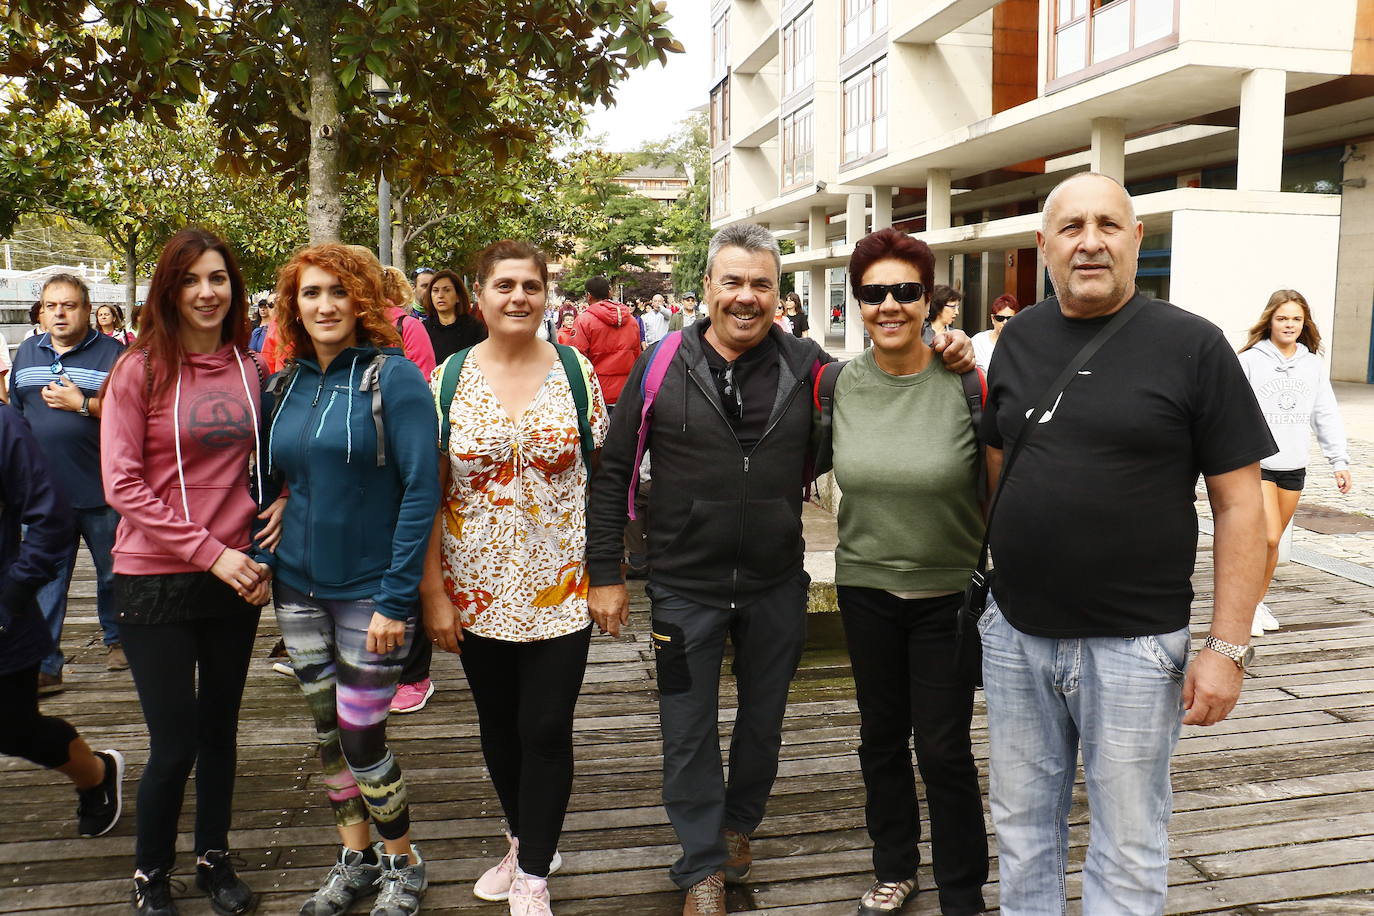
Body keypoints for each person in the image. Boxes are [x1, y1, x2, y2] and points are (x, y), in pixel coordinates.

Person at [586, 222, 974, 916]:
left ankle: (737, 829)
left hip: (774, 585)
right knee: (687, 729)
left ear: (779, 293)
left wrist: (948, 344)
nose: (745, 297)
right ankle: (702, 865)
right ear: (706, 288)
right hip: (681, 586)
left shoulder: (808, 367)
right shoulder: (660, 362)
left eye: (760, 283)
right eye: (731, 281)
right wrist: (605, 571)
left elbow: (883, 380)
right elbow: (614, 470)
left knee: (763, 726)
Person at [978, 172, 1275, 915]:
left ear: (1137, 240)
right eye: (1072, 227)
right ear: (1043, 246)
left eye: (1108, 224)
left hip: (1138, 646)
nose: (1090, 241)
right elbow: (997, 462)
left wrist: (1227, 647)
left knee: (1130, 841)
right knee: (1020, 830)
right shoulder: (1017, 339)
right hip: (1016, 636)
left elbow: (1243, 507)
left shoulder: (1194, 345)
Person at [421, 240, 608, 916]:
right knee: (498, 724)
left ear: (545, 295)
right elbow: (427, 494)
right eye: (505, 285)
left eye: (531, 285)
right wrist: (432, 593)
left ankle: (533, 877)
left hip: (563, 585)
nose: (519, 297)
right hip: (474, 588)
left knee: (547, 725)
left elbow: (605, 479)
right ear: (479, 295)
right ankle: (525, 839)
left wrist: (611, 574)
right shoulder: (447, 379)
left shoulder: (575, 369)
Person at [101, 228, 277, 916]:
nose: (207, 292)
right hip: (153, 577)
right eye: (191, 280)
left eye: (219, 278)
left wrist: (277, 511)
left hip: (235, 577)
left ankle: (214, 856)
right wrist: (214, 552)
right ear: (168, 291)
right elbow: (121, 484)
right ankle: (151, 873)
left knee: (220, 732)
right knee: (174, 742)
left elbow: (266, 465)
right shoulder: (137, 369)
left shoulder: (249, 365)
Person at [267, 242, 438, 916]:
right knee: (325, 734)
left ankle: (404, 861)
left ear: (364, 301)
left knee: (364, 737)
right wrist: (276, 505)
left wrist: (398, 600)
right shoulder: (286, 382)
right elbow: (278, 476)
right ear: (294, 306)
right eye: (311, 294)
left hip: (373, 594)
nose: (325, 305)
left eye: (338, 292)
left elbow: (421, 490)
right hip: (297, 587)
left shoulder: (393, 379)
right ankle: (356, 858)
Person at [825, 228, 988, 916]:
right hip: (865, 589)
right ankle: (895, 866)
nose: (889, 305)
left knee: (945, 748)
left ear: (930, 301)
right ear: (858, 302)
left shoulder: (964, 378)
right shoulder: (837, 382)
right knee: (880, 739)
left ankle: (960, 889)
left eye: (905, 291)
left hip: (946, 594)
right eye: (873, 293)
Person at [1, 401, 124, 842]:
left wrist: (15, 591)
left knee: (13, 728)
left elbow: (49, 513)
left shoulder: (3, 423)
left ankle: (96, 774)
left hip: (4, 619)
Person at [10, 273, 126, 690]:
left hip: (102, 490)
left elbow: (136, 418)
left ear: (88, 310)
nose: (59, 312)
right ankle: (45, 662)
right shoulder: (26, 352)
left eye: (69, 305)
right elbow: (17, 416)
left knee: (113, 572)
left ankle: (118, 640)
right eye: (51, 305)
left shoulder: (114, 354)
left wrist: (84, 405)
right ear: (41, 311)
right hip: (43, 495)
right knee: (45, 577)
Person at [1238, 289, 1353, 636]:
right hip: (1257, 464)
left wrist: (1339, 461)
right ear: (1270, 320)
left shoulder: (1312, 365)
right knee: (1269, 538)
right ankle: (1244, 608)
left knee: (1272, 542)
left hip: (1293, 467)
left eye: (1296, 319)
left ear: (1304, 324)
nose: (1289, 324)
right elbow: (1230, 410)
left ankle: (1256, 602)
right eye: (1282, 318)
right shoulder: (1249, 361)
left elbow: (1325, 414)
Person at [378, 265, 440, 712]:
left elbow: (424, 384)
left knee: (408, 556)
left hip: (401, 455)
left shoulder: (406, 325)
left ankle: (413, 672)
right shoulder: (339, 324)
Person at [572, 276, 641, 409]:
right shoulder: (631, 321)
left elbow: (577, 361)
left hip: (597, 392)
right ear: (609, 293)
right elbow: (637, 357)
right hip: (627, 392)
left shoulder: (584, 321)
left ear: (588, 296)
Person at [423, 269, 486, 363]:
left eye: (447, 290)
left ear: (458, 296)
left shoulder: (475, 327)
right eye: (435, 291)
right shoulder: (423, 329)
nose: (440, 295)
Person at [971, 293, 1020, 371]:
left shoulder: (1021, 344)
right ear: (993, 319)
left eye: (1010, 319)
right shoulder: (978, 341)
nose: (1005, 322)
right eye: (1000, 318)